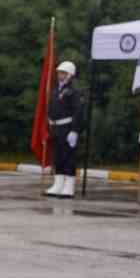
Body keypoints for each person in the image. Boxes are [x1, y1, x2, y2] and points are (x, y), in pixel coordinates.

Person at [44, 61, 84, 198]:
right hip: (56, 127)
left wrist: (74, 130)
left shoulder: (74, 91)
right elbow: (51, 107)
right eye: (59, 72)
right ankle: (58, 183)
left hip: (67, 128)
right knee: (58, 157)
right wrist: (49, 122)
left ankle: (69, 186)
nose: (59, 75)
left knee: (68, 157)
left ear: (69, 75)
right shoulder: (56, 90)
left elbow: (78, 111)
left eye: (62, 73)